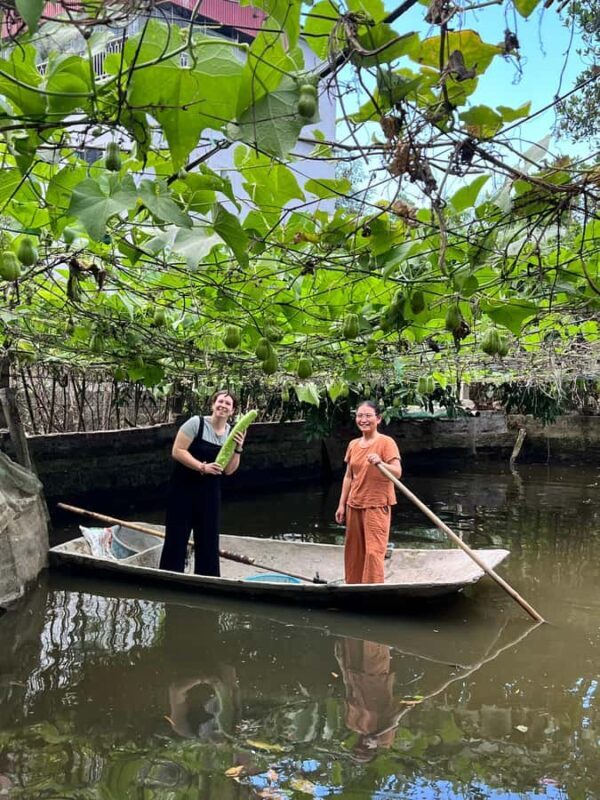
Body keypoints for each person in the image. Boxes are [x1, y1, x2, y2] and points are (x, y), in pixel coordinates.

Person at [159, 390, 246, 576]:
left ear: (232, 411)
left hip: (210, 492)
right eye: (220, 401)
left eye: (228, 404)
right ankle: (170, 577)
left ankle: (207, 579)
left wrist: (238, 448)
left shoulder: (232, 433)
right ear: (213, 405)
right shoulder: (196, 423)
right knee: (177, 535)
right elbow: (178, 450)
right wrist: (202, 467)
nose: (223, 405)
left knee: (208, 538)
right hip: (183, 489)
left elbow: (229, 470)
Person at [335, 401, 401, 584]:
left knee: (373, 552)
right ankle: (353, 586)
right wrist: (341, 505)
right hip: (354, 504)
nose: (363, 420)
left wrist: (381, 462)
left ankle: (372, 588)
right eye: (359, 416)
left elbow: (397, 472)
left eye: (368, 416)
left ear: (378, 419)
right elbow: (349, 476)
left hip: (377, 504)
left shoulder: (386, 443)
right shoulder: (353, 444)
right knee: (354, 551)